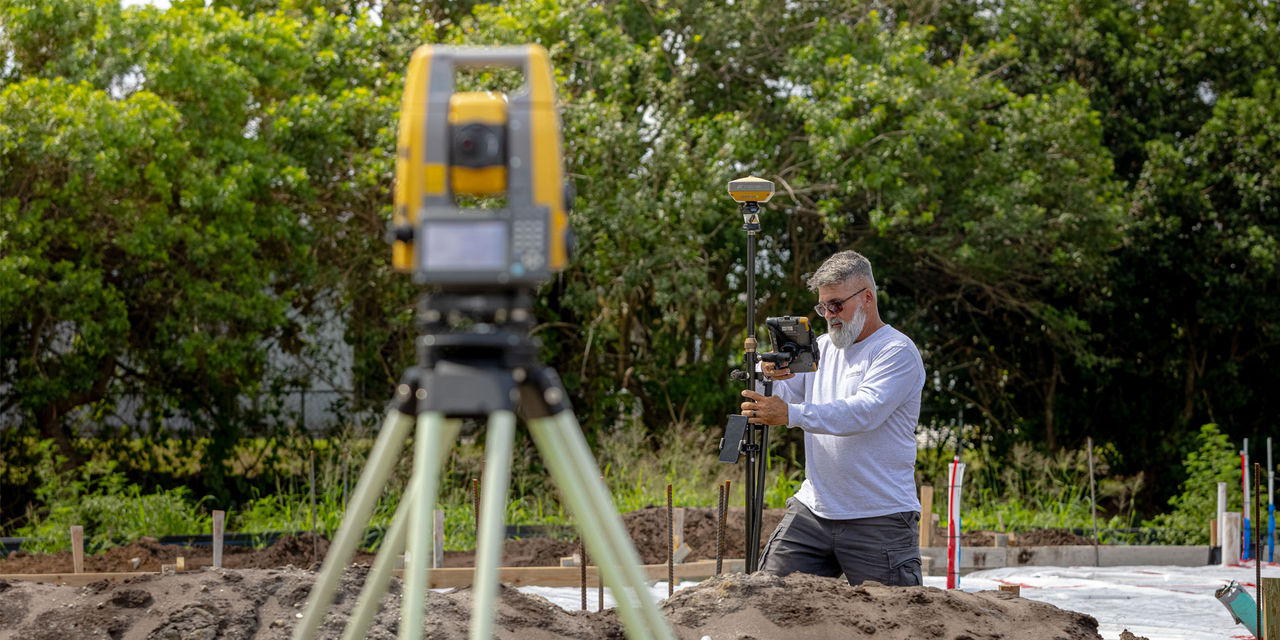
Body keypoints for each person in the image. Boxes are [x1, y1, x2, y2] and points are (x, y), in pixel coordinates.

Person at [739, 249, 926, 586]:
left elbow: (863, 412)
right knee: (767, 597)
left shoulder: (895, 351)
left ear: (867, 298)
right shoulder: (821, 348)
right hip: (814, 511)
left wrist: (790, 414)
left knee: (895, 621)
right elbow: (780, 398)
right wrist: (767, 374)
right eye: (822, 306)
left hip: (878, 517)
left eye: (837, 304)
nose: (829, 314)